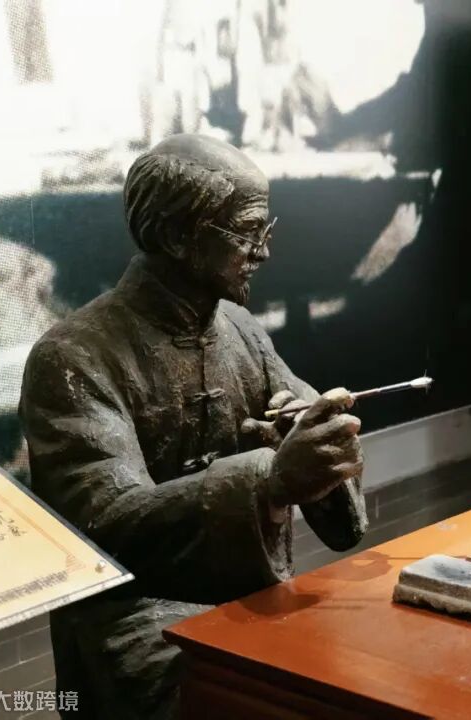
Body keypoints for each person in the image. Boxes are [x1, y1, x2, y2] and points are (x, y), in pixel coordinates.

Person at [19, 134, 367, 719]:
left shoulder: (241, 330)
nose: (263, 252)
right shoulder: (73, 357)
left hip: (250, 592)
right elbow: (105, 524)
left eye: (265, 230)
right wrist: (271, 480)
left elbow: (335, 511)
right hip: (136, 618)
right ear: (177, 237)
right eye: (247, 232)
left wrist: (320, 443)